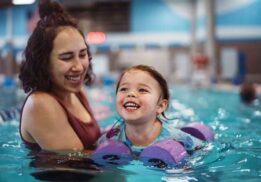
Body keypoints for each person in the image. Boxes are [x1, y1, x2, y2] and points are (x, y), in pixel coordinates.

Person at [19, 0, 101, 151]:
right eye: (66, 57)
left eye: (82, 54)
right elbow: (76, 165)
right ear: (43, 62)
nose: (79, 66)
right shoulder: (40, 104)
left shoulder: (76, 93)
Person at [98, 65, 203, 156]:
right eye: (124, 89)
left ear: (160, 106)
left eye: (142, 90)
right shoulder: (110, 139)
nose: (130, 94)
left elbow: (202, 151)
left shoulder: (177, 139)